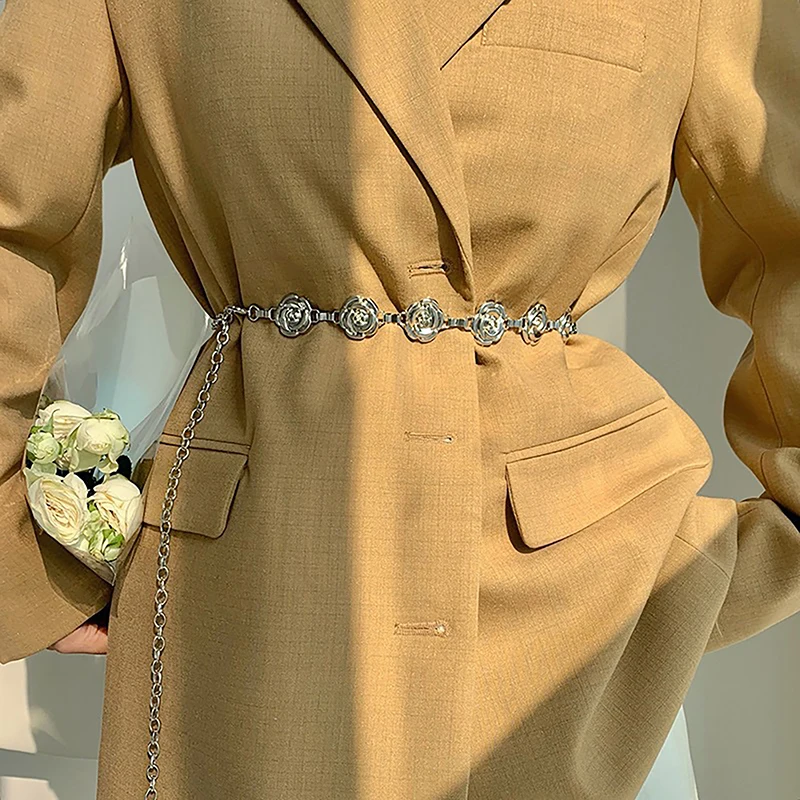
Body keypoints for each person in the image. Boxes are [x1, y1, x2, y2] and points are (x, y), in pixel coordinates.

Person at [1, 0, 798, 798]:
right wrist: (25, 563)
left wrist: (745, 557)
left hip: (583, 613)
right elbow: (15, 214)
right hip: (260, 585)